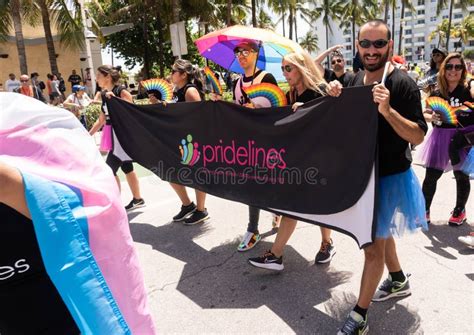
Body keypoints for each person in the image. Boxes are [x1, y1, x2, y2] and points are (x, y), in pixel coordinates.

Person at [326, 19, 428, 334]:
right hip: (362, 176)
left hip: (390, 177)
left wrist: (388, 111)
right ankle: (397, 279)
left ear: (389, 46)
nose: (372, 50)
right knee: (382, 236)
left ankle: (359, 316)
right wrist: (335, 93)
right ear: (358, 46)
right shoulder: (355, 79)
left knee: (372, 247)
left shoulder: (403, 84)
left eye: (378, 44)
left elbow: (418, 135)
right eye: (366, 44)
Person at [248, 50, 336, 270]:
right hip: (297, 158)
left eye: (289, 68)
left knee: (319, 205)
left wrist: (307, 112)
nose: (285, 73)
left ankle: (326, 243)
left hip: (318, 158)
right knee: (292, 206)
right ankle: (276, 255)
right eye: (282, 69)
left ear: (301, 67)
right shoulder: (289, 94)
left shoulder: (320, 90)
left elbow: (332, 118)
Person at [231, 40, 282, 252]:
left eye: (245, 51)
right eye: (237, 52)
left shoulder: (266, 78)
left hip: (267, 142)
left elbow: (279, 109)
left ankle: (265, 218)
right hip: (247, 145)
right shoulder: (236, 83)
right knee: (253, 185)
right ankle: (255, 227)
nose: (241, 55)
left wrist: (257, 110)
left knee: (265, 183)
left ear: (255, 53)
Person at [420, 53, 473, 226]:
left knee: (461, 176)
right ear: (444, 69)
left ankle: (460, 210)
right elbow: (426, 112)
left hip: (462, 138)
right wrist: (430, 117)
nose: (453, 70)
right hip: (440, 136)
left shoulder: (468, 90)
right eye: (449, 66)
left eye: (458, 67)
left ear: (463, 70)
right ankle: (424, 211)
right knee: (431, 176)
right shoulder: (437, 91)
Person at [88, 65, 145, 211]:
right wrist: (87, 135)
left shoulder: (121, 91)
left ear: (107, 76)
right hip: (113, 136)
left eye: (99, 76)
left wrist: (116, 101)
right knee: (127, 167)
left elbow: (132, 112)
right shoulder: (104, 94)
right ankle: (138, 199)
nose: (96, 78)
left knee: (109, 170)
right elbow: (101, 120)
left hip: (122, 137)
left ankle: (116, 205)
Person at [168, 59, 210, 226]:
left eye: (173, 71)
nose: (171, 74)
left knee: (196, 175)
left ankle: (201, 210)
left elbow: (200, 117)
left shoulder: (190, 90)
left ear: (184, 74)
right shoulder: (178, 90)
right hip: (181, 139)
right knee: (170, 173)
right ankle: (187, 205)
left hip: (192, 141)